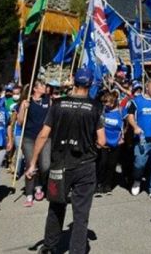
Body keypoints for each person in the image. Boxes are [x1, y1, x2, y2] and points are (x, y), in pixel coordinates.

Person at [27, 68, 106, 254]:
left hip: (59, 164)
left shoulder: (58, 104)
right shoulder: (95, 107)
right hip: (85, 165)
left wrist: (32, 163)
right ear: (91, 83)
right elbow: (102, 140)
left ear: (73, 81)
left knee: (56, 206)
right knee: (81, 214)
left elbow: (43, 135)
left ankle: (49, 245)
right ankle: (77, 250)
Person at [16, 80, 52, 207]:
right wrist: (22, 108)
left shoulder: (48, 100)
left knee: (45, 165)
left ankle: (40, 185)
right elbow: (20, 122)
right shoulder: (27, 102)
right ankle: (29, 194)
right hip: (29, 138)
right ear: (35, 89)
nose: (45, 87)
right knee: (31, 165)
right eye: (42, 86)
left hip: (45, 137)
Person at [97, 90, 126, 193]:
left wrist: (123, 137)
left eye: (107, 102)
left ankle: (108, 184)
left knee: (111, 164)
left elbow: (126, 125)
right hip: (104, 141)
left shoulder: (121, 111)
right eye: (104, 102)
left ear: (113, 102)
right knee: (102, 163)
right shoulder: (103, 110)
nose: (105, 105)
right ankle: (100, 182)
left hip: (116, 141)